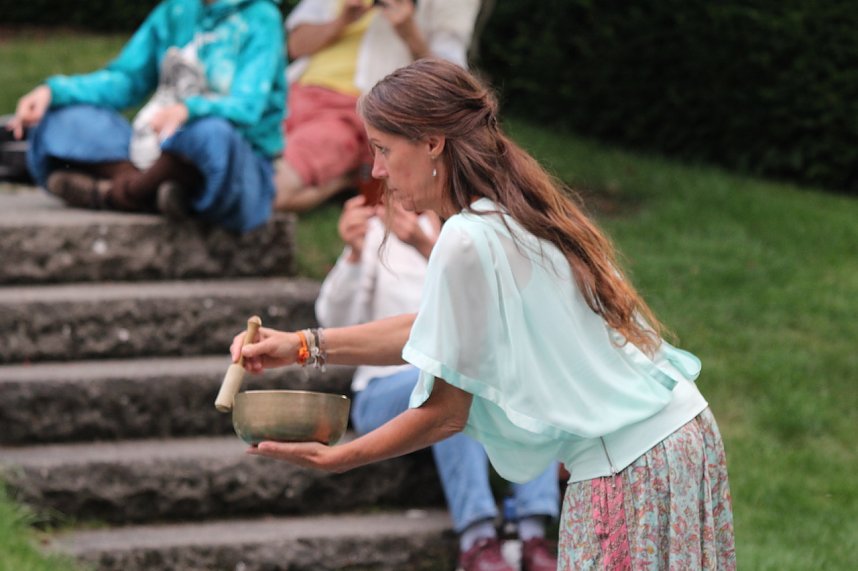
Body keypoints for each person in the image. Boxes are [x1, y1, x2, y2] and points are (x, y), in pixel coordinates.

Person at [231, 59, 736, 569]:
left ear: (432, 142)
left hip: (628, 463)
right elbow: (437, 329)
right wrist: (302, 345)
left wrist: (342, 457)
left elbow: (446, 413)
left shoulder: (466, 237)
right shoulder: (513, 207)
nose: (377, 170)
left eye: (383, 149)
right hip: (682, 435)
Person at [316, 196, 559, 570]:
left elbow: (495, 312)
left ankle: (533, 532)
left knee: (512, 372)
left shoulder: (466, 234)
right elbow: (335, 321)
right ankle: (478, 539)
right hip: (384, 387)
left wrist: (423, 244)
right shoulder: (377, 235)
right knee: (449, 377)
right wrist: (353, 253)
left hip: (465, 375)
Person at [7, 0, 287, 233]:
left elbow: (249, 107)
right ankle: (157, 190)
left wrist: (189, 110)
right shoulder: (176, 10)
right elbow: (127, 80)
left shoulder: (262, 18)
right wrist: (54, 92)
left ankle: (117, 194)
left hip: (230, 161)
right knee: (62, 118)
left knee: (212, 134)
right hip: (154, 147)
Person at [275, 0, 480, 212]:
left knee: (271, 190)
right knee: (245, 166)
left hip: (353, 110)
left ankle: (345, 178)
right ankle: (350, 176)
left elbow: (452, 82)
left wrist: (409, 32)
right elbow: (295, 45)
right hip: (292, 92)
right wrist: (342, 20)